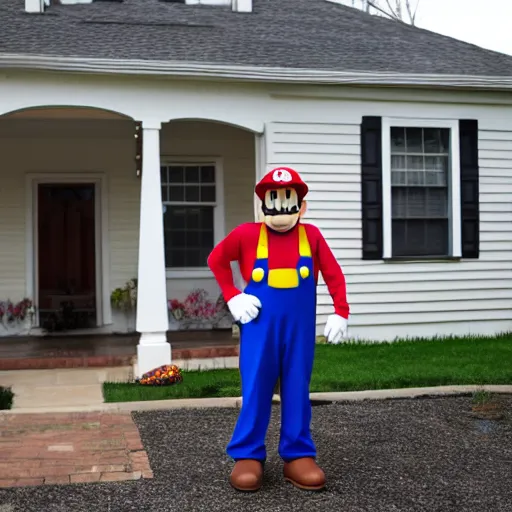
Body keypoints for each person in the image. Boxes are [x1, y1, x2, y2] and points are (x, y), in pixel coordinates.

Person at [207, 166, 350, 492]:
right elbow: (216, 259)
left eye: (289, 202)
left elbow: (333, 274)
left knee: (297, 388)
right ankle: (248, 455)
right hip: (259, 331)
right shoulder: (246, 235)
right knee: (256, 388)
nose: (281, 211)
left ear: (301, 206)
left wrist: (340, 311)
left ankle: (298, 455)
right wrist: (232, 295)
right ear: (262, 205)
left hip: (299, 333)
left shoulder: (311, 236)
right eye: (274, 201)